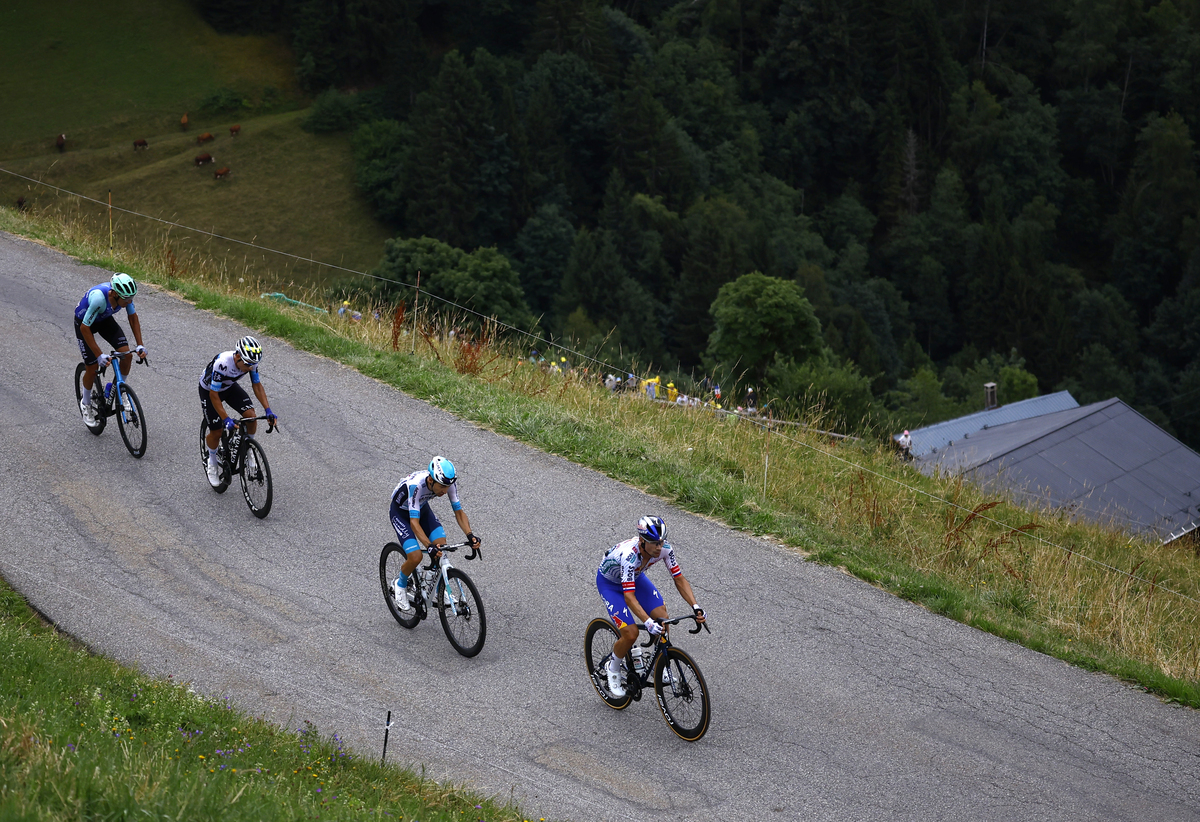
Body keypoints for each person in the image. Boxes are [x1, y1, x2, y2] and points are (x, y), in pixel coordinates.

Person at [596, 516, 705, 697]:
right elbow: (629, 597)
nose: (659, 547)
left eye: (661, 542)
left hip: (635, 579)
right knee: (631, 633)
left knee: (662, 618)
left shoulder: (665, 549)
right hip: (610, 585)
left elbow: (678, 578)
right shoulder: (629, 556)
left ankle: (658, 665)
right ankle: (613, 667)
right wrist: (646, 621)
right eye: (654, 543)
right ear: (641, 541)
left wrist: (695, 606)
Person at [388, 456, 481, 612]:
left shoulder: (448, 483)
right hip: (401, 514)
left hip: (421, 509)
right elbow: (414, 523)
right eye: (442, 487)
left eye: (447, 486)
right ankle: (400, 584)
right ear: (431, 480)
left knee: (441, 546)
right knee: (416, 556)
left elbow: (459, 512)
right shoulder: (416, 486)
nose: (445, 491)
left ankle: (437, 587)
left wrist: (470, 535)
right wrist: (428, 546)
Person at [199, 336, 277, 486]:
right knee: (216, 431)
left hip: (228, 387)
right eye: (247, 364)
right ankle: (212, 462)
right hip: (209, 391)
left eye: (253, 365)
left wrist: (268, 410)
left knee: (251, 417)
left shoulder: (250, 362)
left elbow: (257, 385)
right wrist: (226, 419)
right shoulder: (223, 363)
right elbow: (214, 395)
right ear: (238, 356)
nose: (250, 368)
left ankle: (248, 449)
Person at [74, 273, 147, 426]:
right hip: (85, 323)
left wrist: (140, 344)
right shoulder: (99, 298)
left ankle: (118, 388)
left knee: (127, 355)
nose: (129, 302)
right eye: (126, 300)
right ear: (114, 294)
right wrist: (99, 355)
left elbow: (133, 318)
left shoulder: (124, 297)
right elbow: (85, 328)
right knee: (93, 367)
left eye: (131, 299)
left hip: (104, 320)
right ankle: (85, 402)